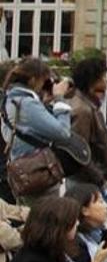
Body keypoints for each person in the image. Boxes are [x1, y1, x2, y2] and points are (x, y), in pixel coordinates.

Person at [1, 58, 73, 205]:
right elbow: (63, 133)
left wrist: (44, 104)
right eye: (44, 80)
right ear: (33, 80)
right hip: (38, 173)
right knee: (44, 222)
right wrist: (60, 99)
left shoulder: (10, 98)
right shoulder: (26, 103)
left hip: (22, 172)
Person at [66, 57, 107, 192]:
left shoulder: (89, 105)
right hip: (85, 181)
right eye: (103, 77)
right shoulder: (83, 110)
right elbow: (79, 150)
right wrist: (97, 176)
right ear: (92, 80)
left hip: (89, 178)